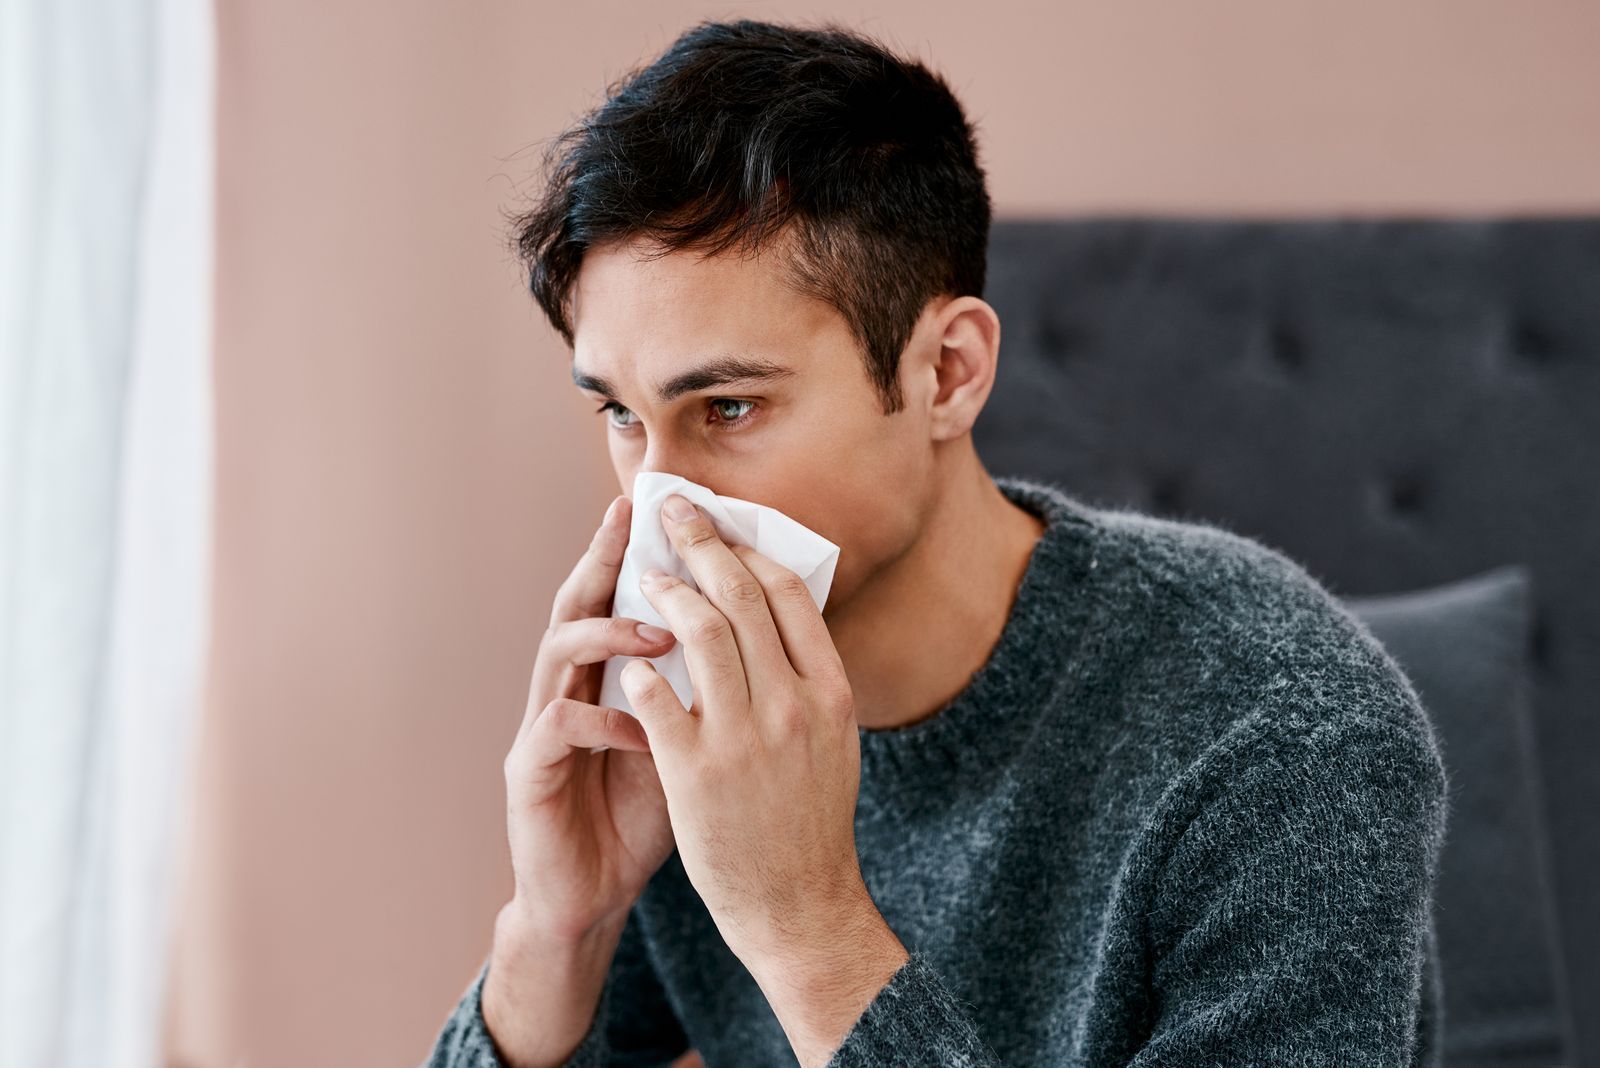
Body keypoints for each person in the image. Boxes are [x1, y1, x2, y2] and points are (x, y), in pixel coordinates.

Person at [425, 17, 1448, 1068]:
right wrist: (558, 929)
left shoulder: (1286, 734)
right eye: (621, 415)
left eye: (727, 408)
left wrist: (805, 924)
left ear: (946, 374)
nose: (657, 498)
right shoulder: (694, 720)